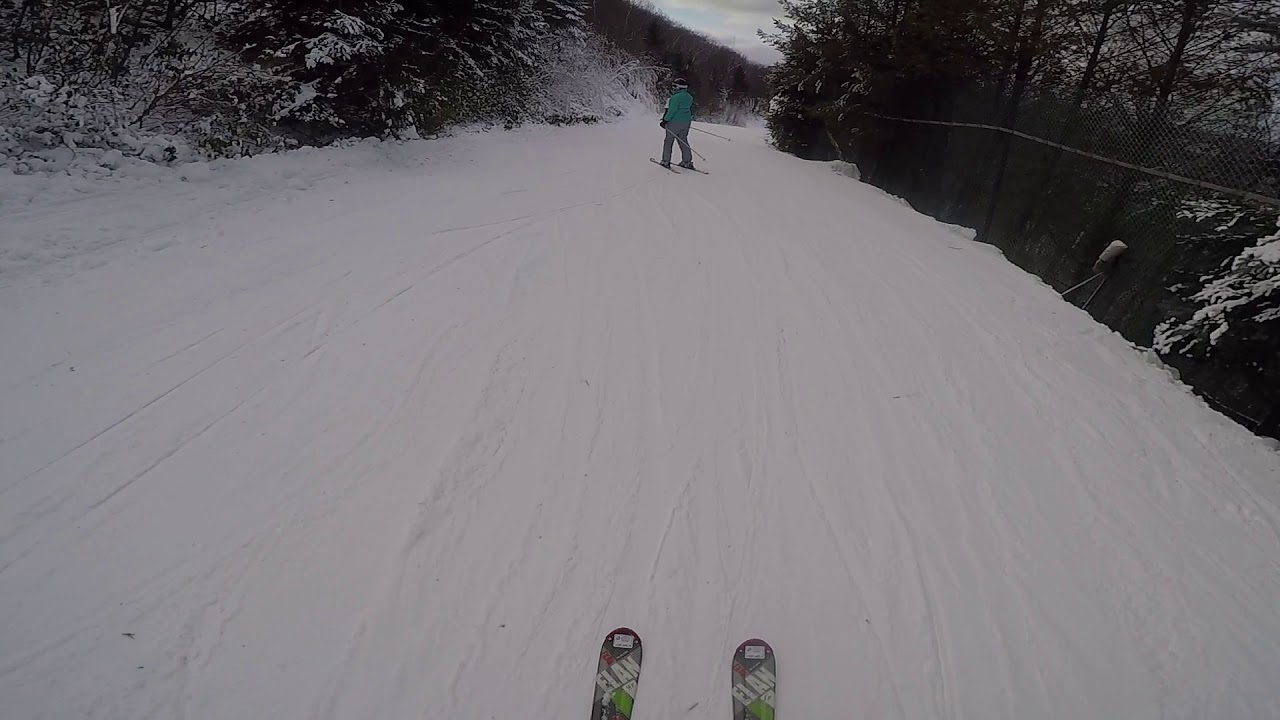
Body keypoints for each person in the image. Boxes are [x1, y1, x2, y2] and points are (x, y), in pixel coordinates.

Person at [659, 78, 695, 170]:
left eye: (674, 86)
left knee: (669, 141)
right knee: (683, 140)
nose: (673, 88)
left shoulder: (675, 98)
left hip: (674, 122)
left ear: (678, 87)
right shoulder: (689, 96)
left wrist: (665, 120)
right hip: (686, 121)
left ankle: (665, 161)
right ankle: (687, 161)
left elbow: (672, 111)